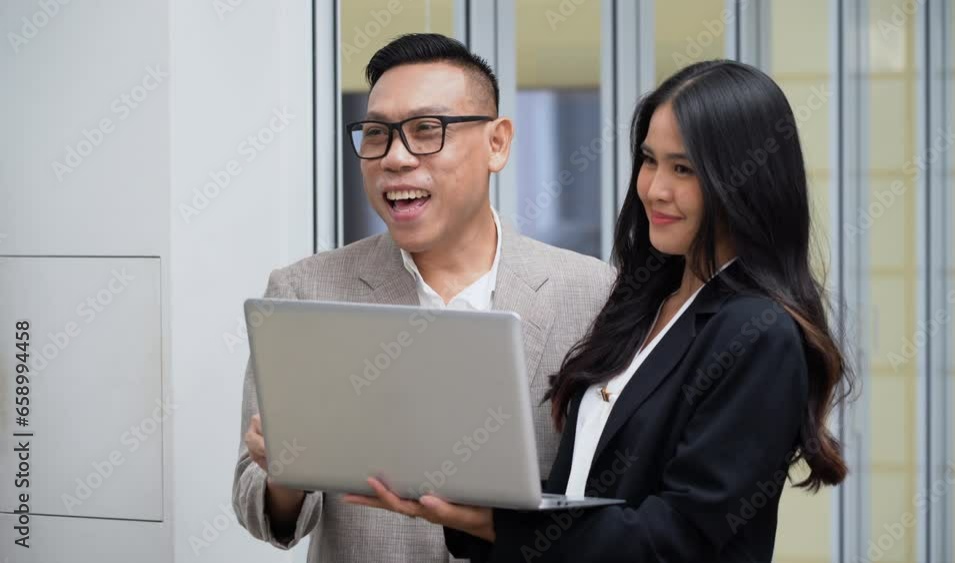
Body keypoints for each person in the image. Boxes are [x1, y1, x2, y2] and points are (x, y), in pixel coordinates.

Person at [344, 59, 853, 562]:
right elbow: (591, 490)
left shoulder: (757, 331)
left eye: (684, 169)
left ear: (743, 181)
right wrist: (453, 491)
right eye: (650, 161)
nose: (655, 188)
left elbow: (677, 541)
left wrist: (489, 520)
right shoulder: (643, 304)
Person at [231, 34, 615, 562]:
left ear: (497, 143)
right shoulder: (306, 292)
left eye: (425, 131)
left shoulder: (593, 293)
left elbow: (614, 491)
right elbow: (257, 508)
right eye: (376, 134)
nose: (395, 158)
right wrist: (287, 471)